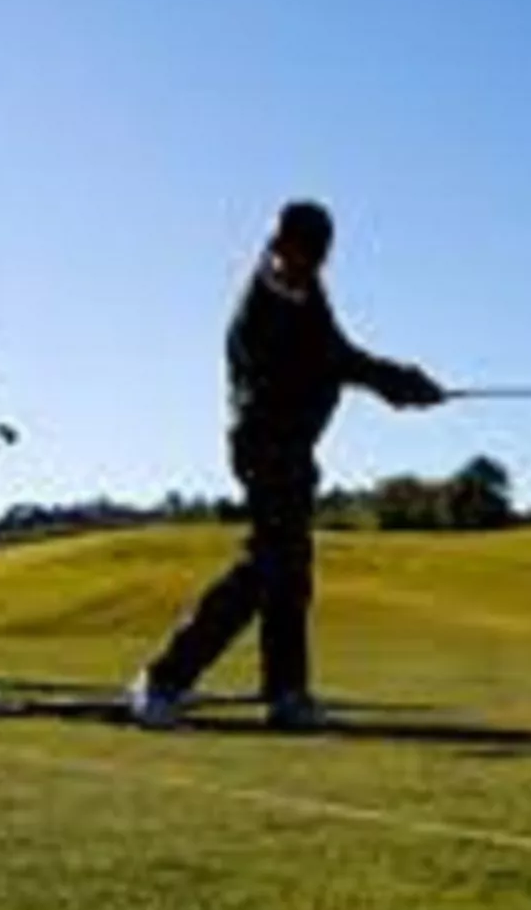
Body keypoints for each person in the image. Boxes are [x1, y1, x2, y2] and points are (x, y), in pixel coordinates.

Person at [130, 201, 447, 730]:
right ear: (280, 244)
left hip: (296, 449)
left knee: (292, 573)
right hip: (264, 445)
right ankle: (163, 680)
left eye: (319, 256)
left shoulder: (307, 294)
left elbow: (338, 354)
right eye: (301, 252)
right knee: (266, 566)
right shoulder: (264, 309)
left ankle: (286, 692)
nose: (309, 264)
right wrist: (397, 383)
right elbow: (331, 361)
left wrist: (397, 383)